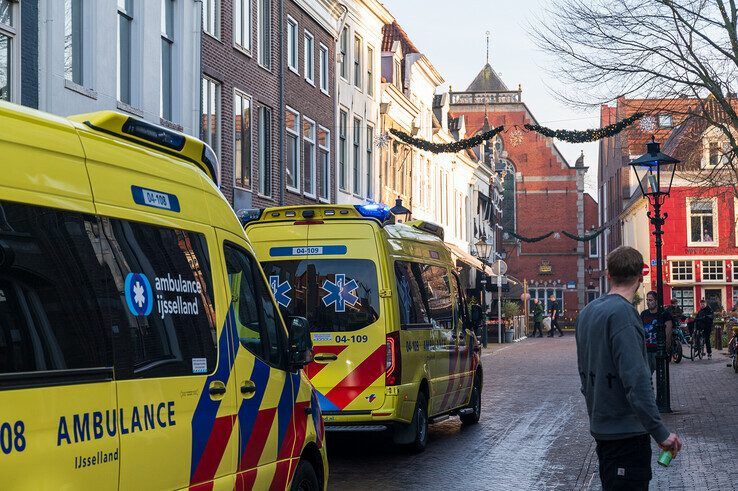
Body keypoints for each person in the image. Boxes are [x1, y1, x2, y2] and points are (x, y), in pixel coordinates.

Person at [576, 246, 682, 490]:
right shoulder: (624, 314)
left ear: (608, 275)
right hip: (627, 435)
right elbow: (636, 380)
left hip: (603, 430)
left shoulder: (587, 313)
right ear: (640, 276)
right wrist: (660, 432)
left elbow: (584, 375)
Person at [640, 291, 673, 376]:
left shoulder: (664, 314)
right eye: (647, 300)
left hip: (658, 351)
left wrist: (666, 347)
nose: (648, 302)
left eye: (650, 300)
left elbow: (668, 331)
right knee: (646, 377)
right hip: (646, 351)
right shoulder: (644, 314)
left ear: (656, 301)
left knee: (661, 376)